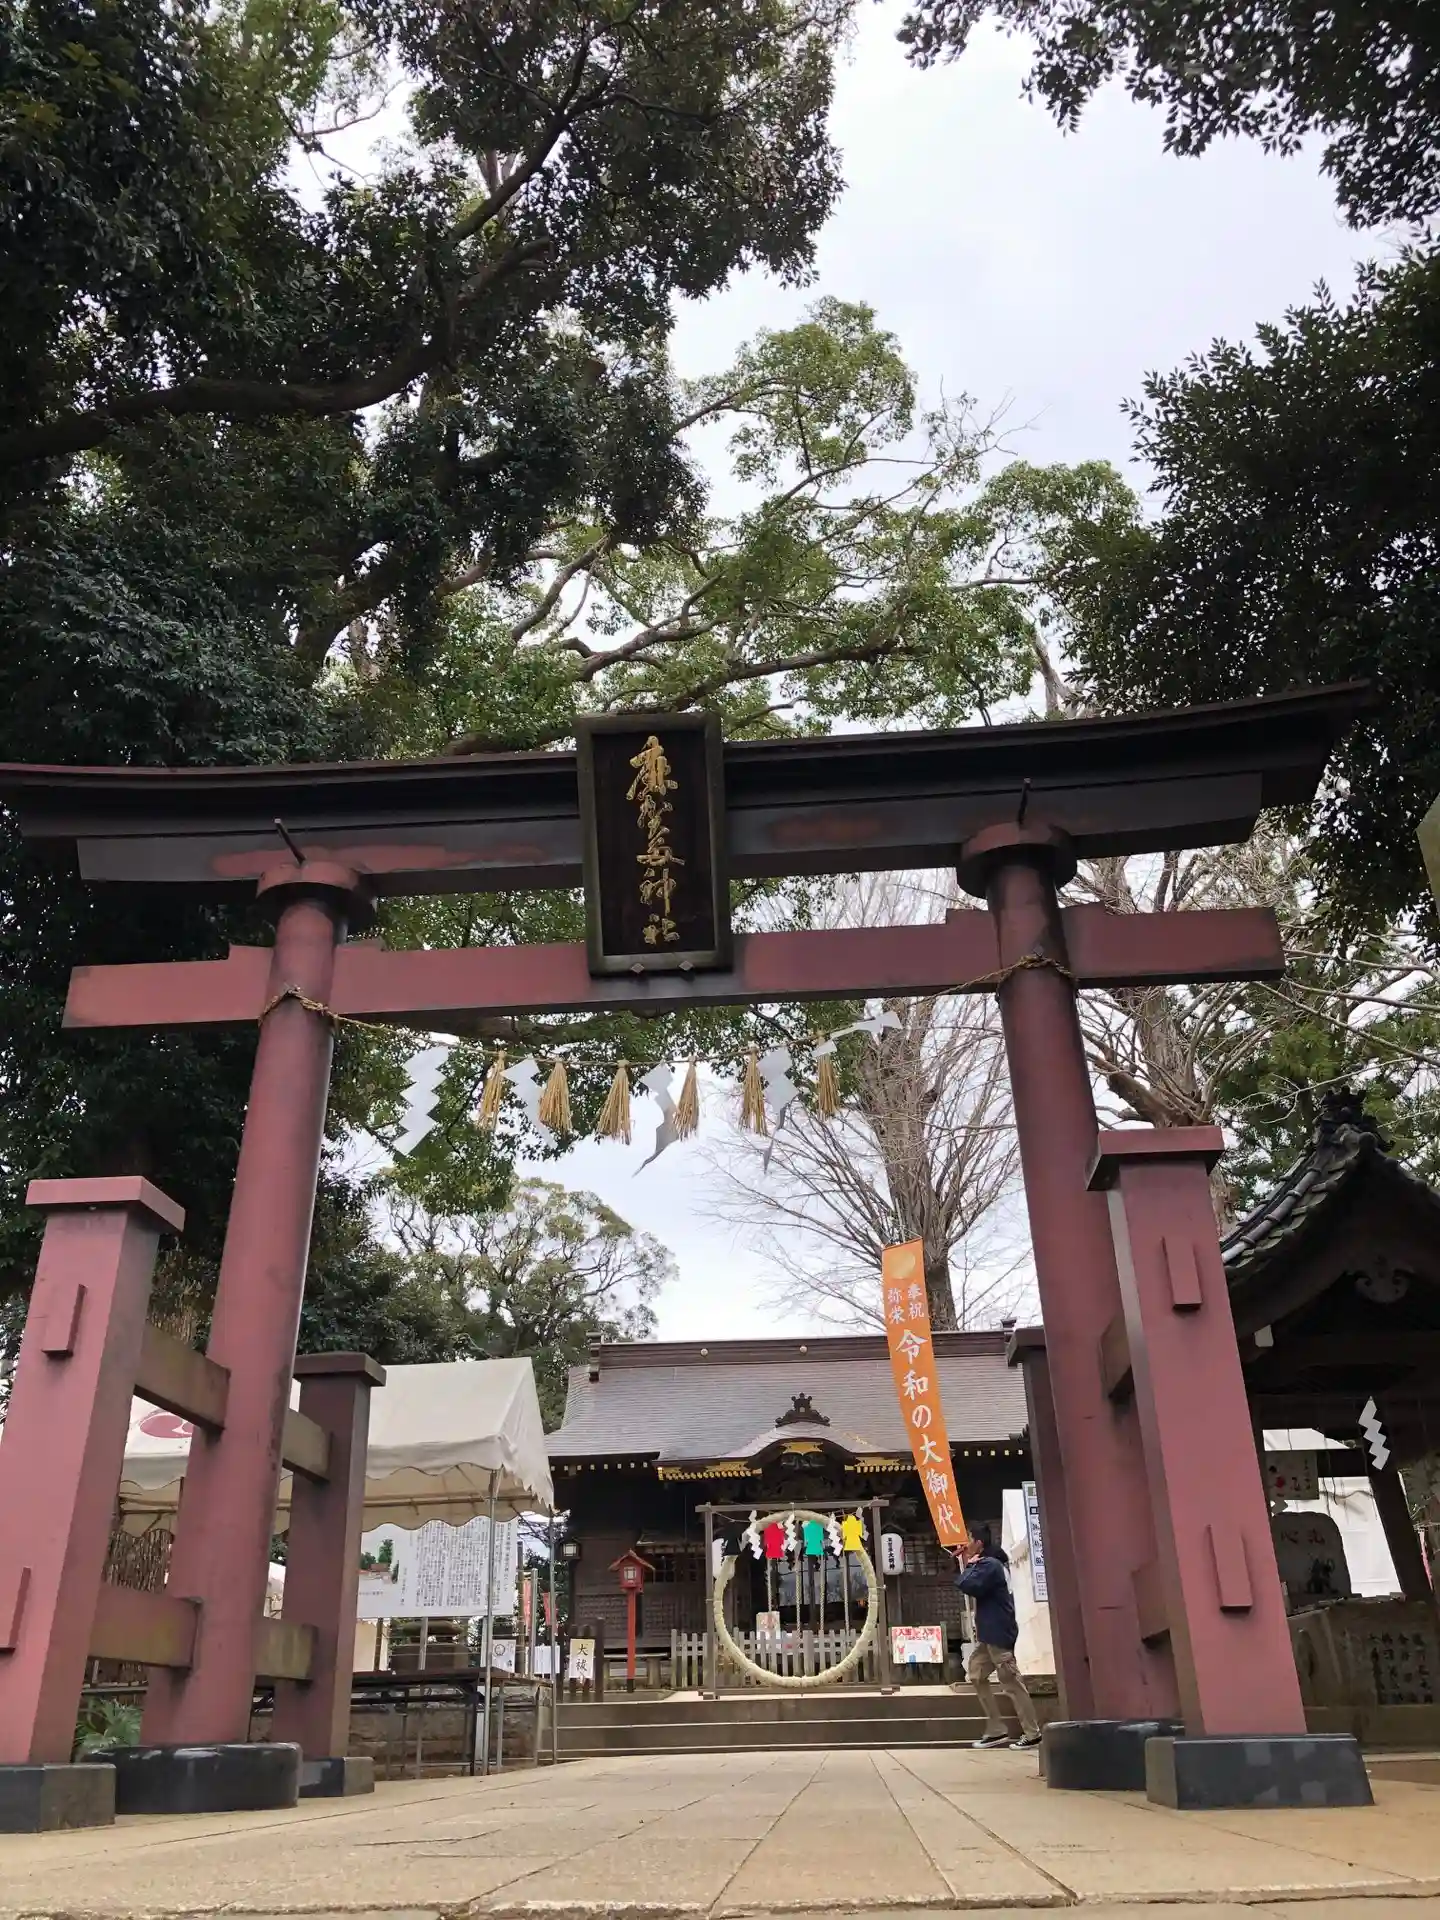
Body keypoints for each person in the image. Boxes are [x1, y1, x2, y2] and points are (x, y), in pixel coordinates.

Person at [950, 1529, 1041, 1749]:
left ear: (979, 1543)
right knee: (976, 1672)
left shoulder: (989, 1564)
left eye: (969, 1539)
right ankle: (996, 1729)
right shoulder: (988, 1564)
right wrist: (968, 1563)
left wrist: (968, 1565)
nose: (966, 1544)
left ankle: (1032, 1733)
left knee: (1011, 1682)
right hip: (989, 1634)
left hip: (998, 1632)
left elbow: (967, 1585)